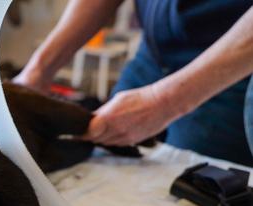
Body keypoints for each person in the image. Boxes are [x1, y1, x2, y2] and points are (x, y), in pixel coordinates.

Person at [14, 0, 253, 166]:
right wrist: (38, 71)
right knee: (107, 159)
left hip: (232, 70)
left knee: (200, 191)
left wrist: (165, 101)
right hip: (153, 54)